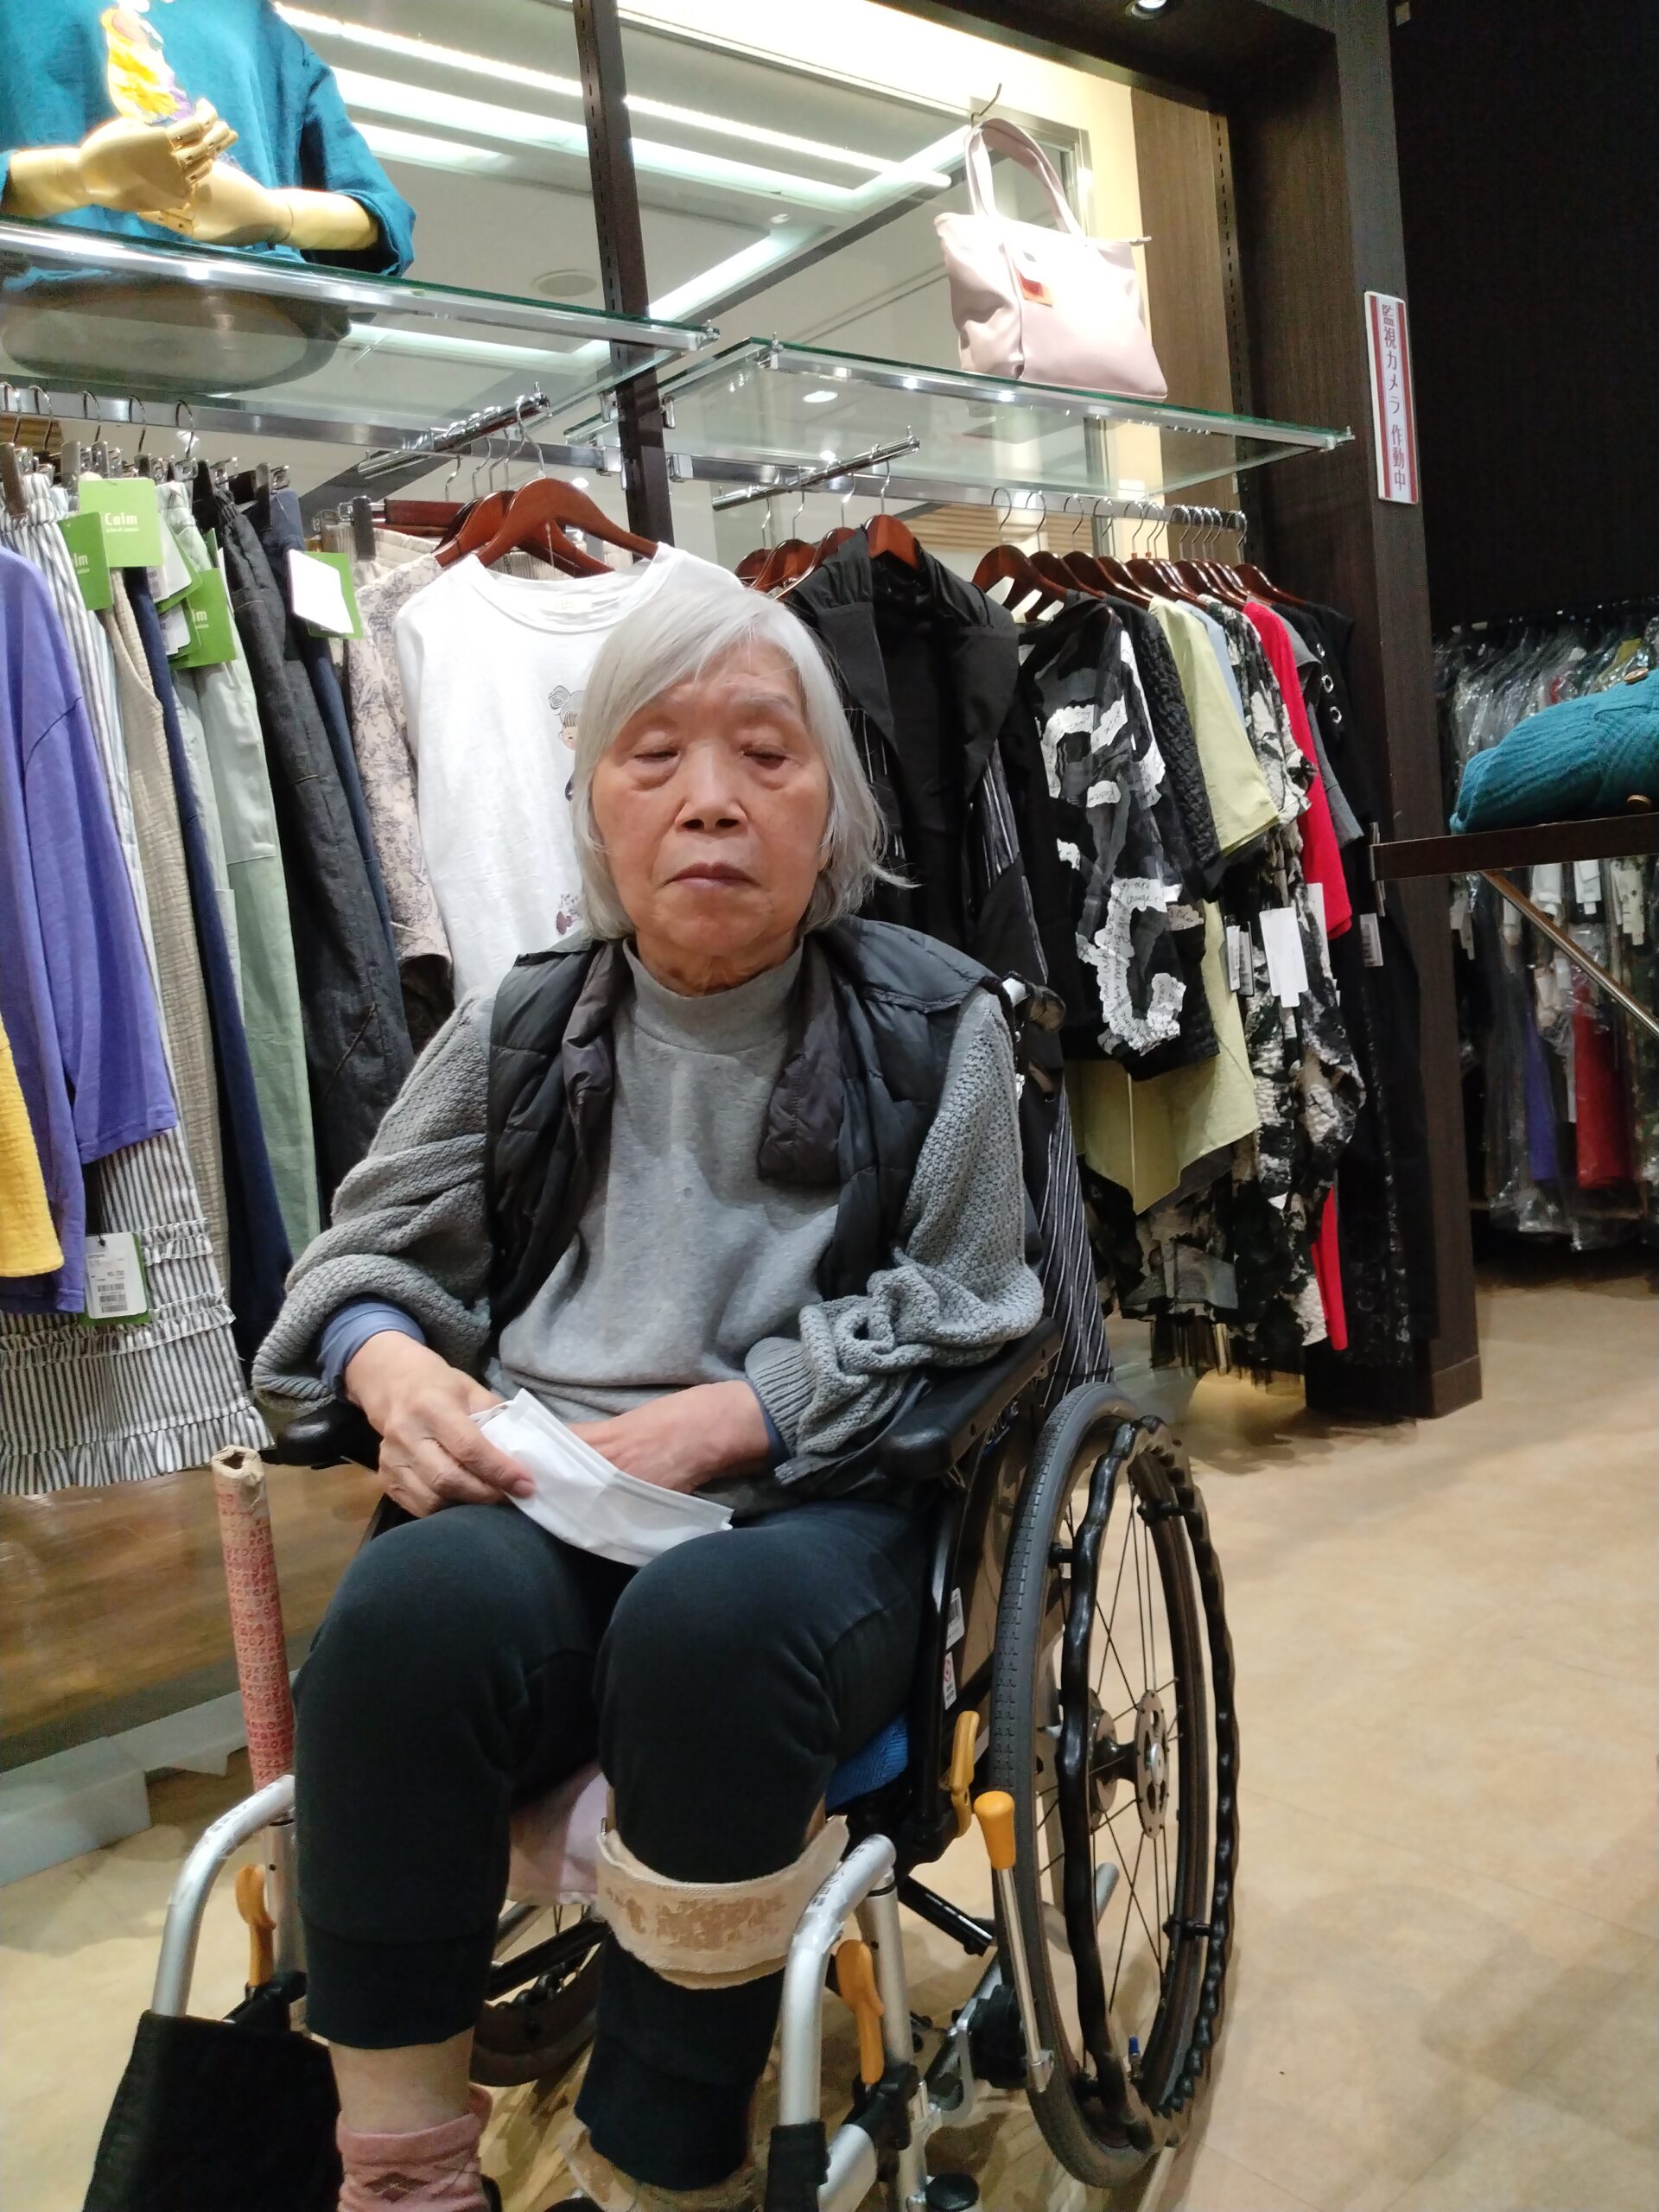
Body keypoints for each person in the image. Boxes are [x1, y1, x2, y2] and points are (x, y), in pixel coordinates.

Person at [255, 575, 1045, 2212]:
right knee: (401, 1620)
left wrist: (746, 1411)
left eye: (765, 752)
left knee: (709, 1633)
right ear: (594, 805)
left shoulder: (934, 1023)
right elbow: (362, 1256)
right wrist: (389, 1361)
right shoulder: (523, 1022)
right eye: (655, 755)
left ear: (833, 813)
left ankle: (657, 2166)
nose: (710, 799)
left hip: (812, 1514)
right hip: (554, 1488)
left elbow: (972, 1298)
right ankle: (401, 2172)